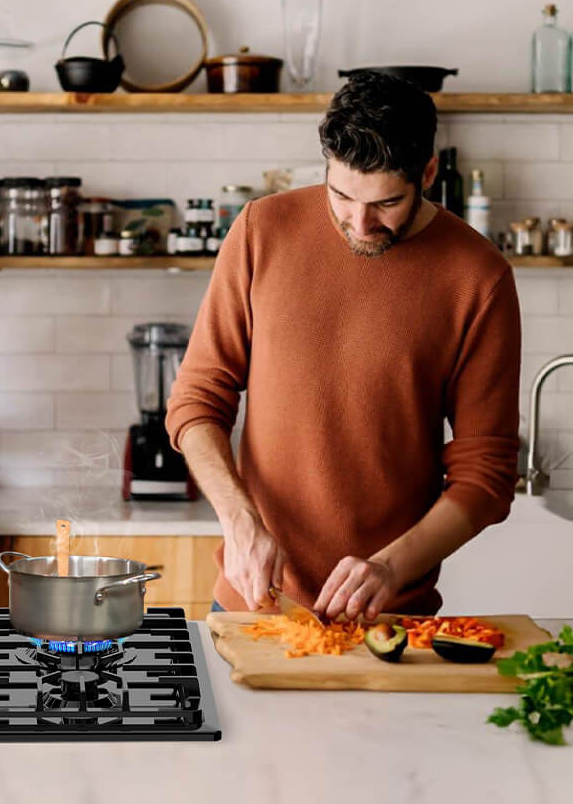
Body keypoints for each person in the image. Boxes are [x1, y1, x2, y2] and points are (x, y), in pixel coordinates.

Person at [166, 71, 521, 623]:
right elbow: (196, 401)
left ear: (427, 173)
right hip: (252, 605)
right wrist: (239, 520)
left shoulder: (479, 278)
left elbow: (486, 476)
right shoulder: (262, 229)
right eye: (341, 195)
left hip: (389, 618)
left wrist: (389, 569)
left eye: (386, 203)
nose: (359, 222)